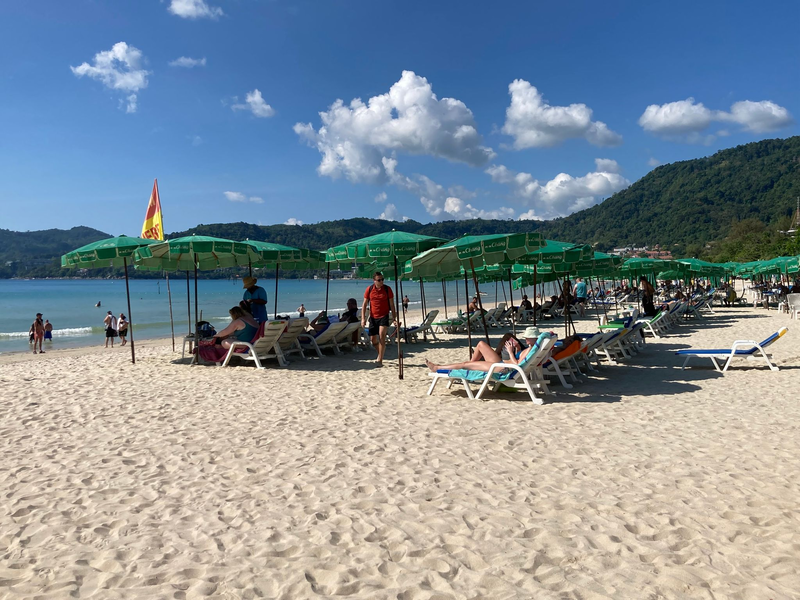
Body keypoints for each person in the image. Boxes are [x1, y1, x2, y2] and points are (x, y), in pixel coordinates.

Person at [425, 326, 543, 373]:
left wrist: (511, 352)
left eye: (528, 337)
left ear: (534, 338)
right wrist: (517, 349)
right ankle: (471, 363)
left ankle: (437, 368)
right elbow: (520, 361)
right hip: (502, 364)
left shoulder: (530, 350)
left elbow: (517, 364)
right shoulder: (532, 349)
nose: (526, 339)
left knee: (465, 365)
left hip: (502, 367)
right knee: (481, 344)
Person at [361, 272, 397, 366]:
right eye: (379, 280)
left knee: (382, 336)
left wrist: (394, 318)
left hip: (384, 316)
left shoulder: (387, 289)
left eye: (382, 279)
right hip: (373, 317)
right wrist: (363, 319)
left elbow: (392, 305)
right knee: (373, 340)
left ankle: (380, 360)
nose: (381, 281)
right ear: (374, 281)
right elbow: (364, 304)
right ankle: (381, 353)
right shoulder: (369, 289)